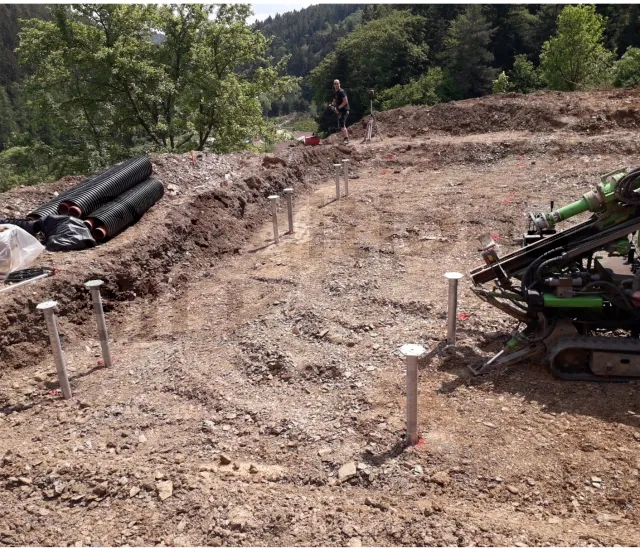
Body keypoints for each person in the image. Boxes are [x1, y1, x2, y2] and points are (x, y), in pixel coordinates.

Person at [330, 79, 349, 144]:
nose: (336, 85)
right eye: (335, 84)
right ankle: (345, 138)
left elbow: (345, 101)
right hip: (340, 111)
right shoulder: (335, 93)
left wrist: (338, 108)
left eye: (337, 83)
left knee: (342, 124)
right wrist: (332, 105)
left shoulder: (341, 92)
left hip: (344, 110)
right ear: (333, 85)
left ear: (339, 84)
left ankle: (346, 139)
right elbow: (334, 101)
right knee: (341, 125)